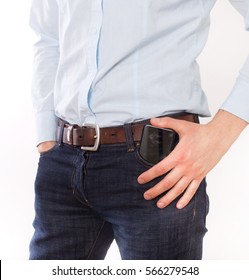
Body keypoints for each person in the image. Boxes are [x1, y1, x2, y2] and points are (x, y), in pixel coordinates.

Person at [29, 0, 249, 260]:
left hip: (157, 162)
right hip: (62, 163)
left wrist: (220, 134)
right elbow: (48, 37)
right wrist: (46, 137)